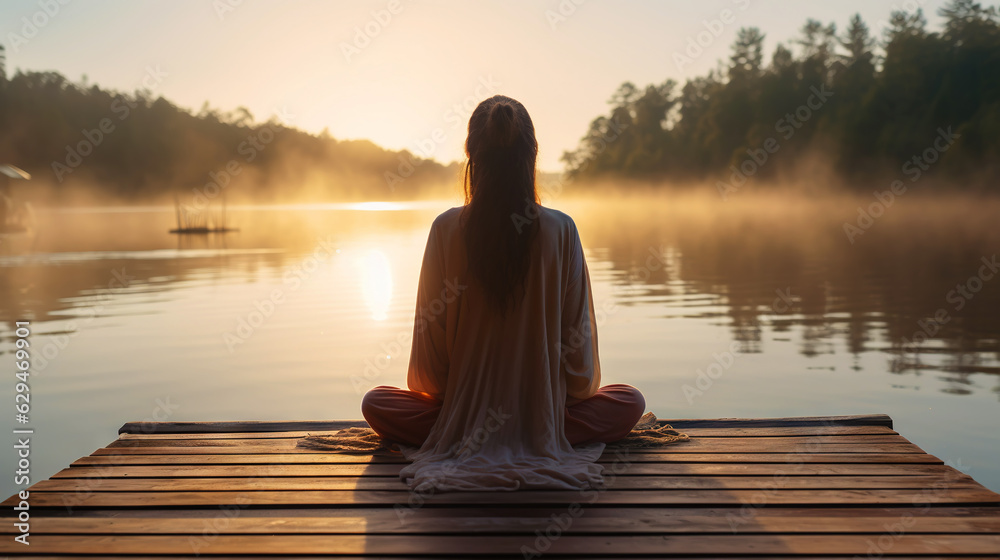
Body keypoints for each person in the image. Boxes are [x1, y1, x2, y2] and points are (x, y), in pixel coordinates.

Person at [361, 95, 645, 492]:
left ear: (472, 158)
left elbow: (427, 376)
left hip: (462, 425)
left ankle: (477, 432)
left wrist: (465, 408)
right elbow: (581, 378)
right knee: (630, 401)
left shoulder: (445, 230)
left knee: (376, 403)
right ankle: (532, 433)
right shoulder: (561, 230)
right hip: (546, 422)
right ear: (531, 157)